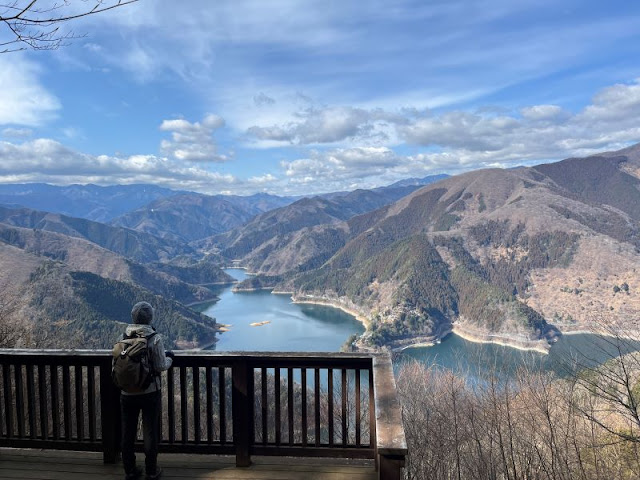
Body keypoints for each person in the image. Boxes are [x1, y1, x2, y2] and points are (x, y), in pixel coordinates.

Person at [120, 301, 174, 480]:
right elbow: (160, 365)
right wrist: (170, 359)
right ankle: (151, 471)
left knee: (127, 431)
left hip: (127, 392)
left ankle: (130, 470)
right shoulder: (154, 338)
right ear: (150, 317)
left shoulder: (123, 335)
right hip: (149, 392)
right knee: (150, 432)